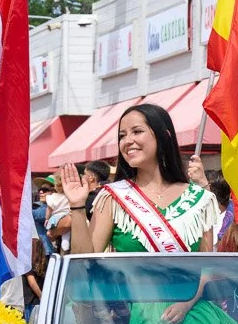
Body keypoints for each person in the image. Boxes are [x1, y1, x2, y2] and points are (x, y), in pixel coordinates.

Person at [60, 104, 220, 255]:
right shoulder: (112, 197)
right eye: (122, 136)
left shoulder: (199, 199)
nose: (127, 141)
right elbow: (84, 263)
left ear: (164, 136)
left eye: (137, 131)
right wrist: (77, 206)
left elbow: (205, 267)